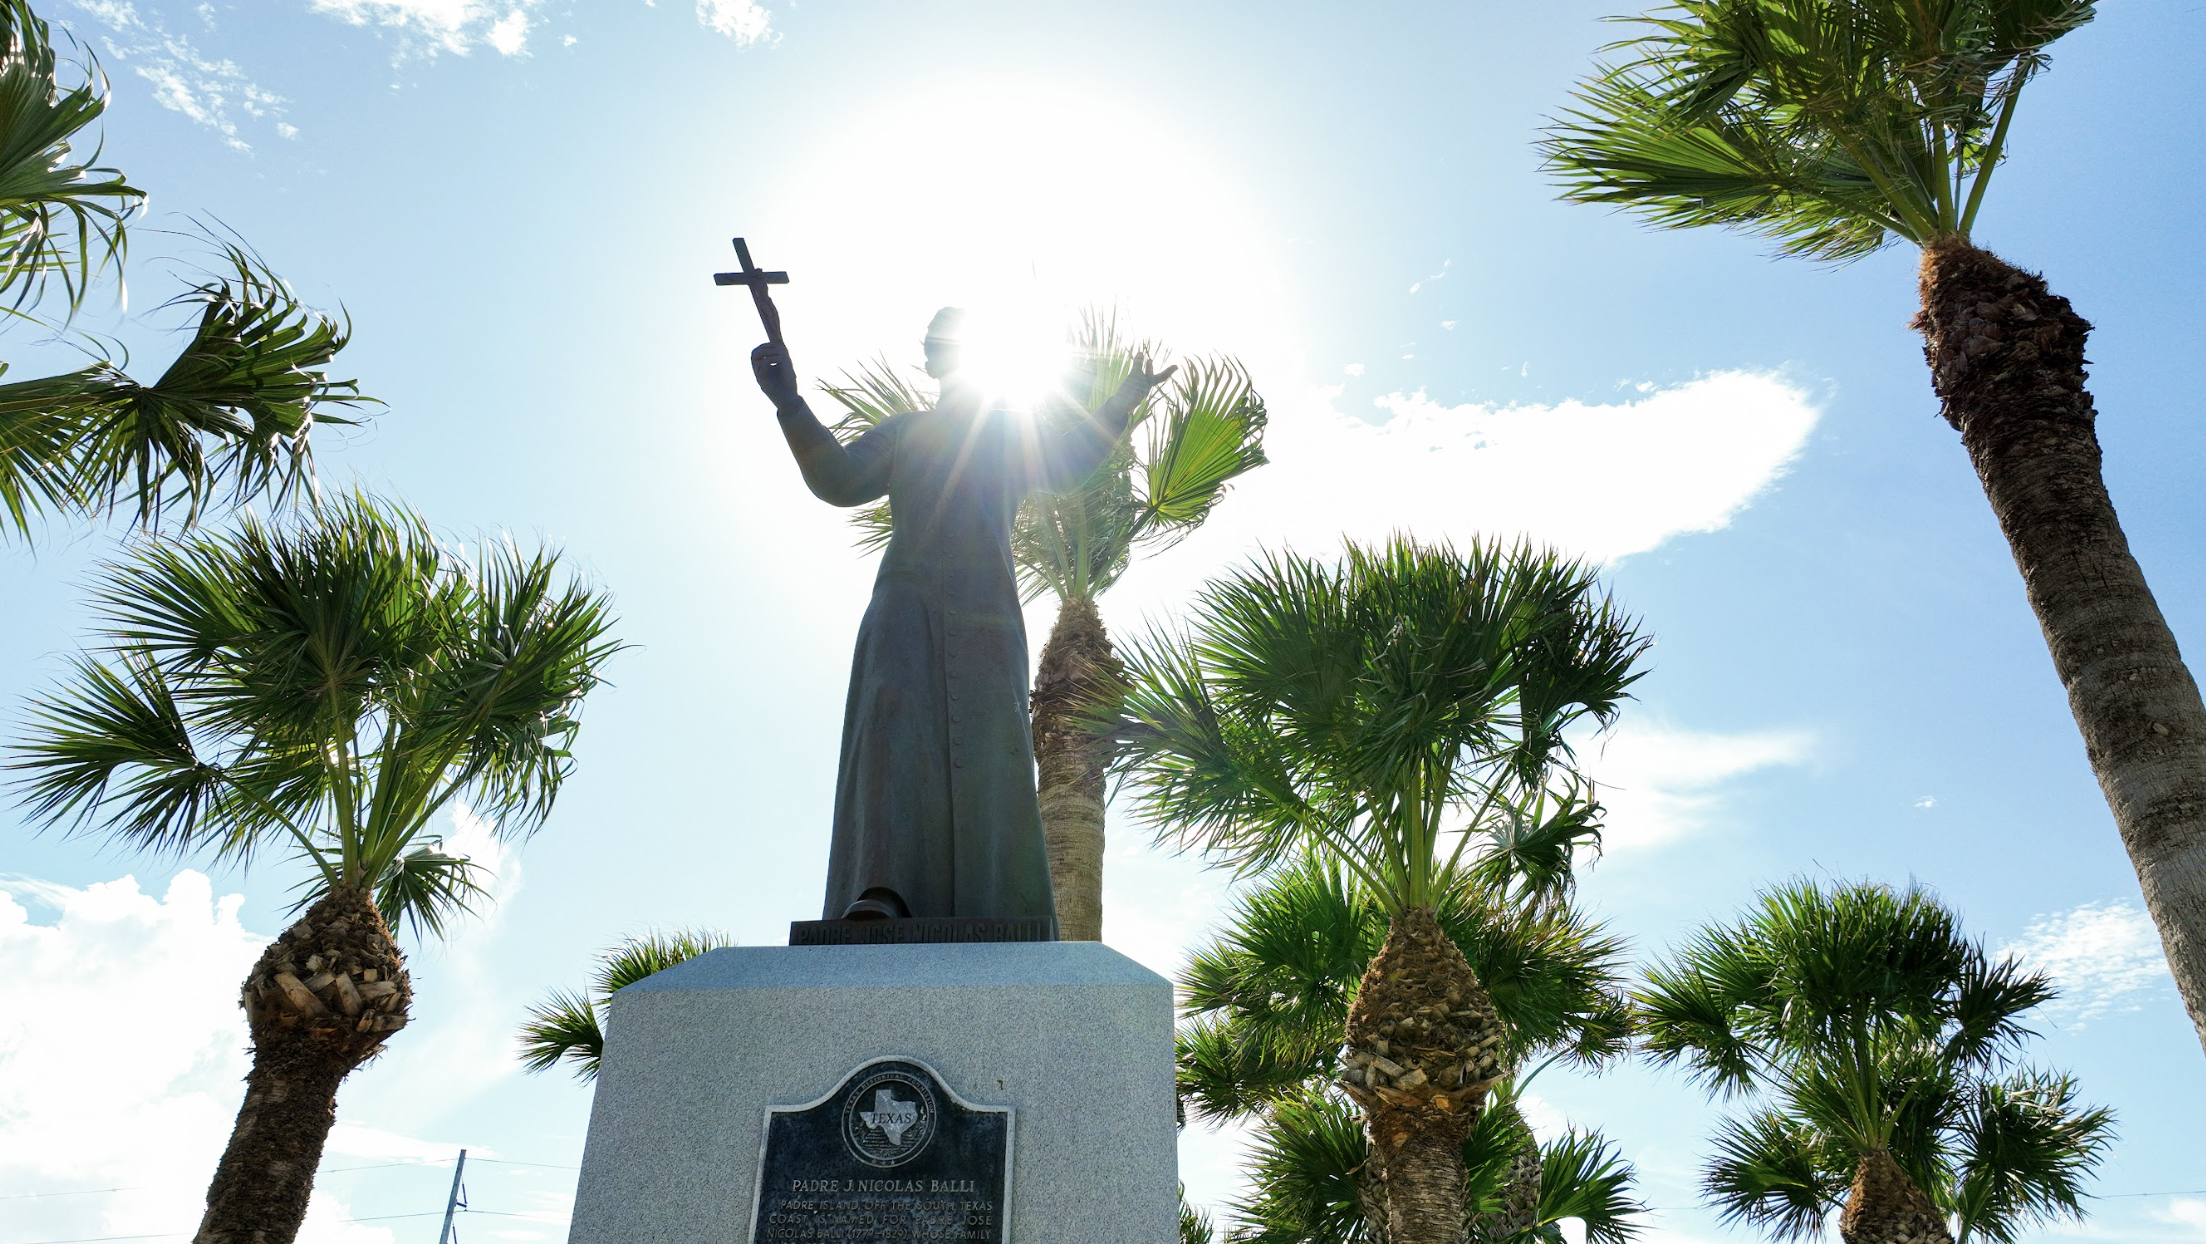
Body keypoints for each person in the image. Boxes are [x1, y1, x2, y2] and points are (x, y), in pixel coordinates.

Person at [752, 308, 1175, 925]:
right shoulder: (905, 432)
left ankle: (1000, 900)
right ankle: (881, 889)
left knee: (990, 741)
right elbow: (839, 480)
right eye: (939, 346)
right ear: (928, 362)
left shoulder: (1008, 436)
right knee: (892, 724)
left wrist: (1124, 400)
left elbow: (1071, 460)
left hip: (987, 611)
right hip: (904, 601)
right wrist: (790, 405)